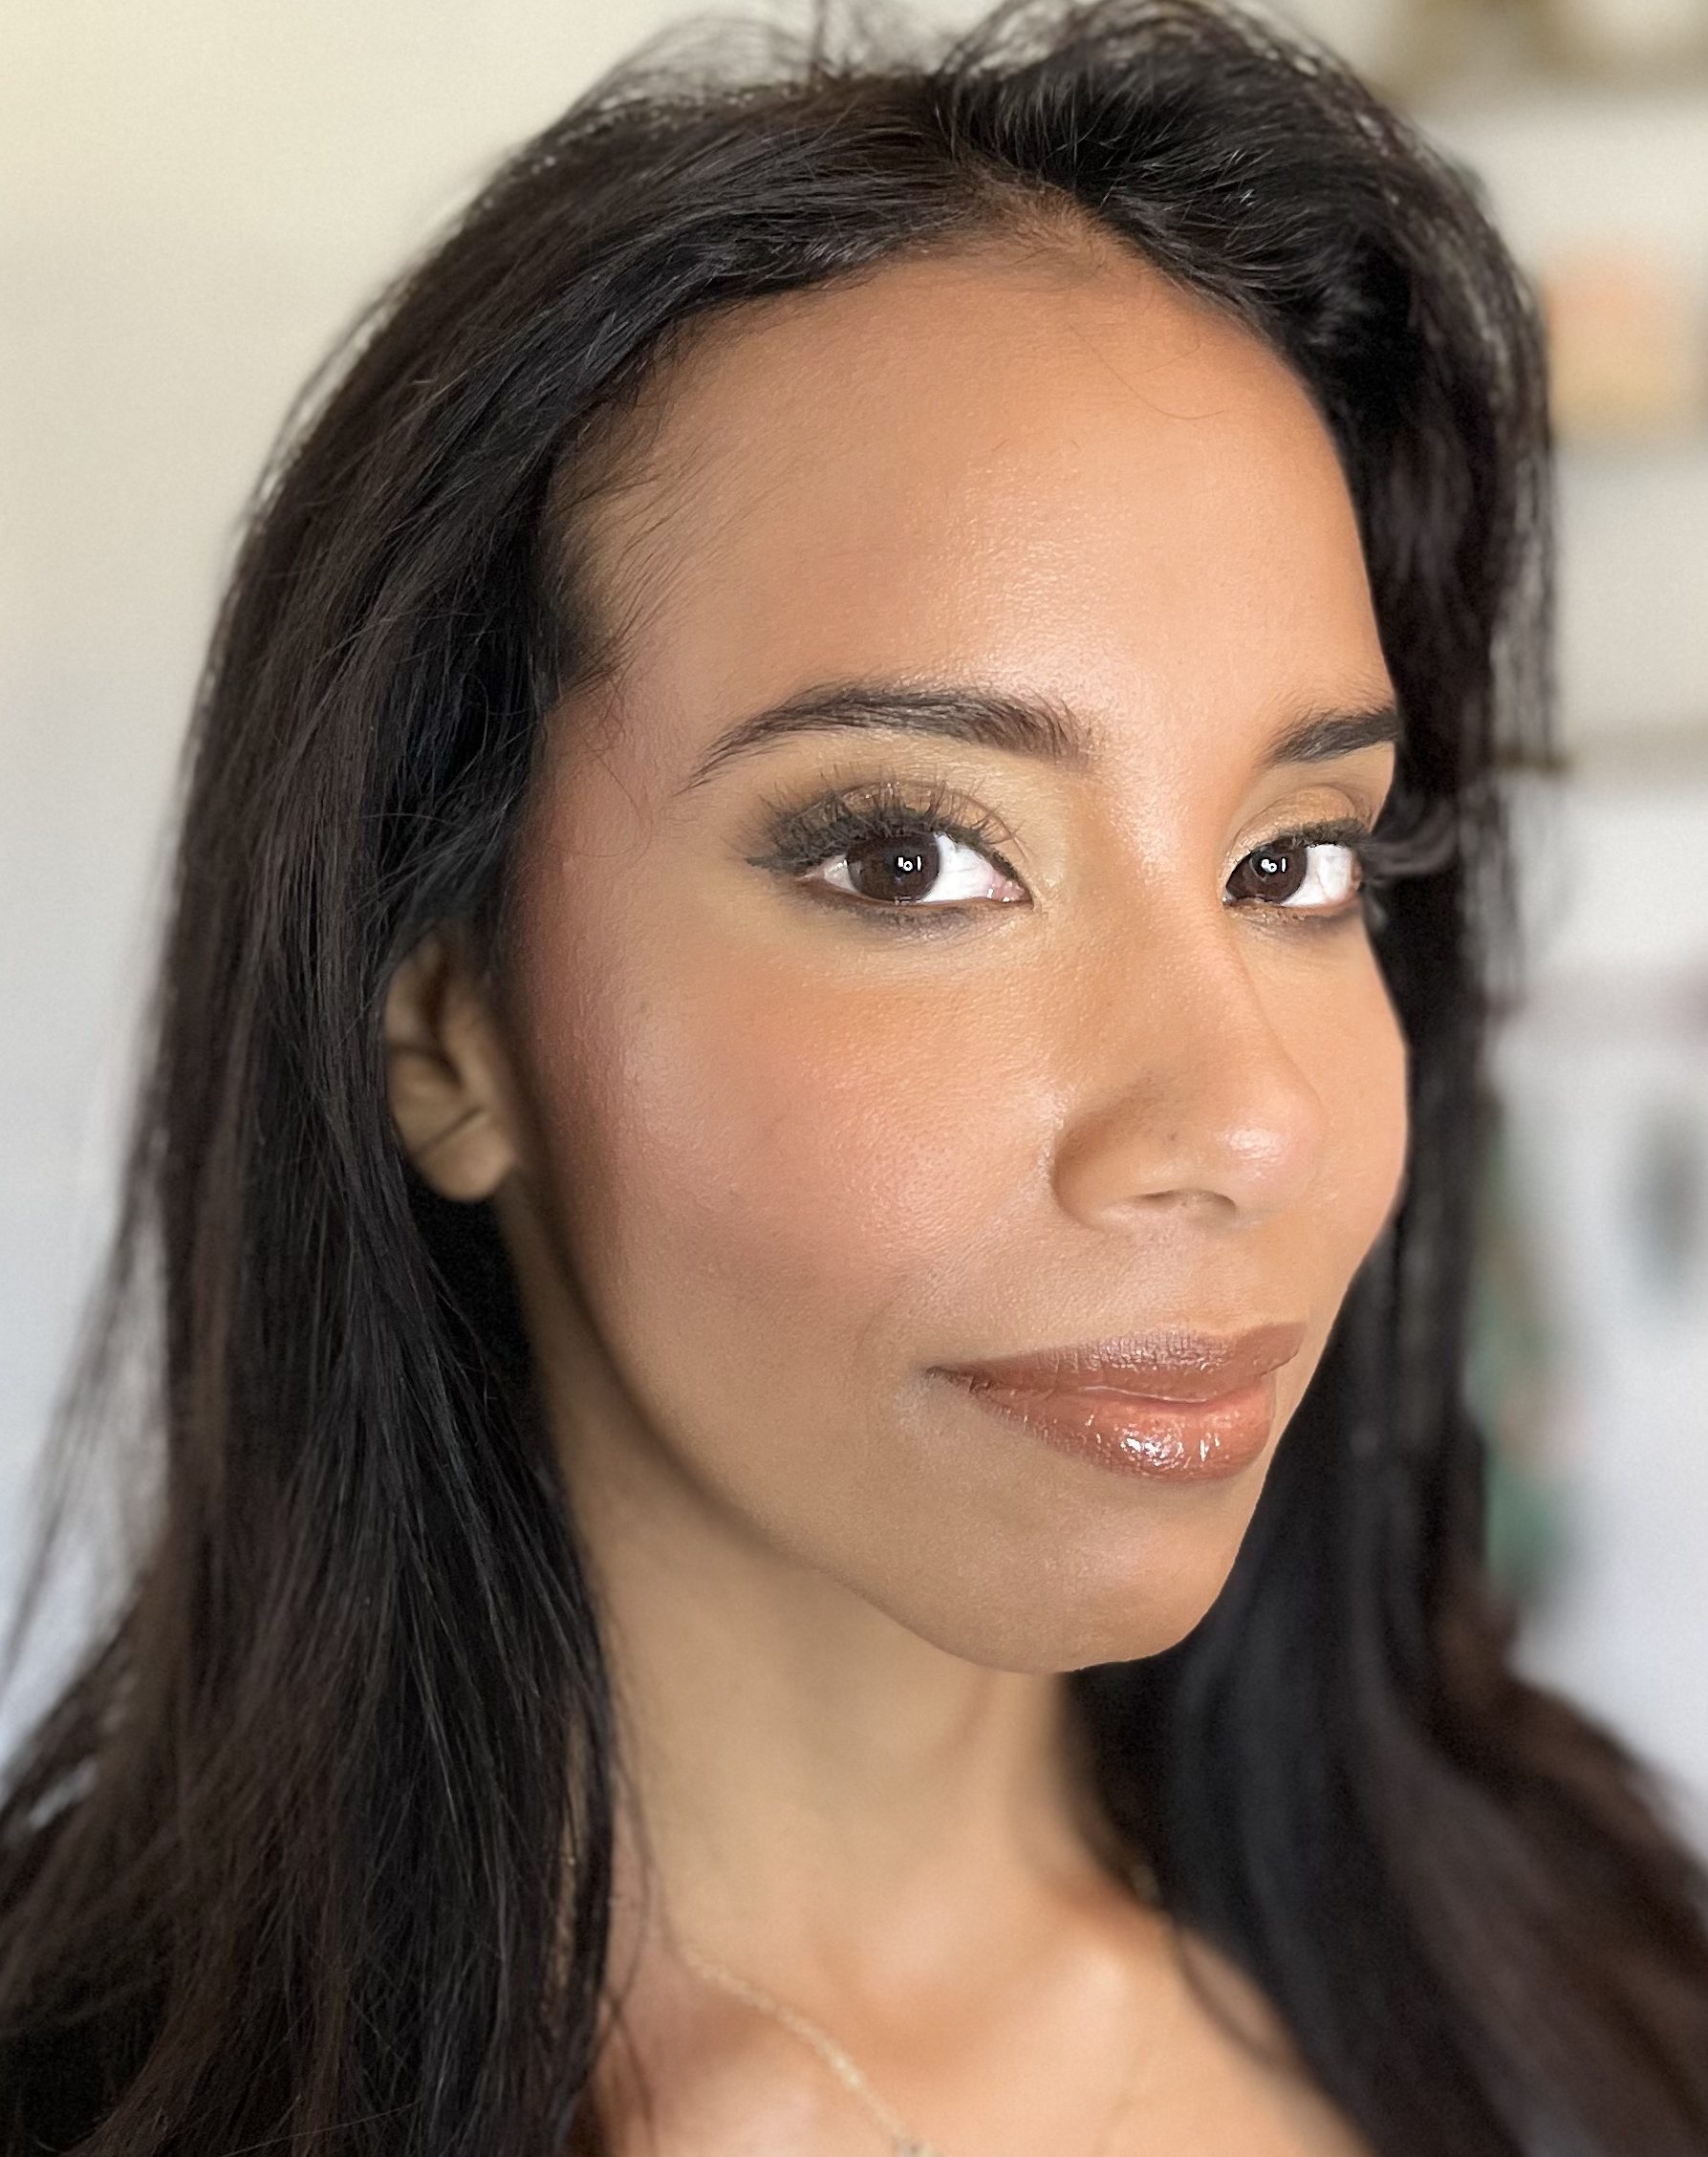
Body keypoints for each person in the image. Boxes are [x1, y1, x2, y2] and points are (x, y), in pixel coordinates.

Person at [3, 1, 1706, 2150]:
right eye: (912, 858)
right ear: (443, 1023)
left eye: (1295, 863)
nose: (1247, 1122)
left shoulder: (1588, 1966)